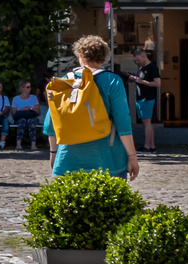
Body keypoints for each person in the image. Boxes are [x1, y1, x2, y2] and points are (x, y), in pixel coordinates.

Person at [44, 34, 138, 181]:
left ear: (80, 55)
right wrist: (132, 156)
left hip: (68, 157)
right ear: (104, 56)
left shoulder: (65, 82)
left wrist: (54, 154)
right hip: (108, 157)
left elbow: (52, 122)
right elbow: (122, 122)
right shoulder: (112, 81)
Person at [127, 48, 159, 154]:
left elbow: (157, 83)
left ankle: (147, 147)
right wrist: (135, 79)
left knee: (147, 123)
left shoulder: (152, 68)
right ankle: (151, 146)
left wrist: (142, 82)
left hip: (147, 98)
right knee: (147, 123)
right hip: (141, 98)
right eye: (136, 60)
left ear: (144, 56)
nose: (137, 62)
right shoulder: (141, 67)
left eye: (138, 60)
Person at [10, 81, 40, 150]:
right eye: (27, 87)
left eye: (30, 87)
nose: (29, 88)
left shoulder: (33, 97)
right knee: (22, 121)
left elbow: (38, 112)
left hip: (32, 116)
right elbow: (13, 113)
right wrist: (22, 109)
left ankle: (33, 144)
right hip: (20, 117)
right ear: (22, 88)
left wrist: (30, 108)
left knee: (30, 121)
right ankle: (18, 144)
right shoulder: (16, 99)